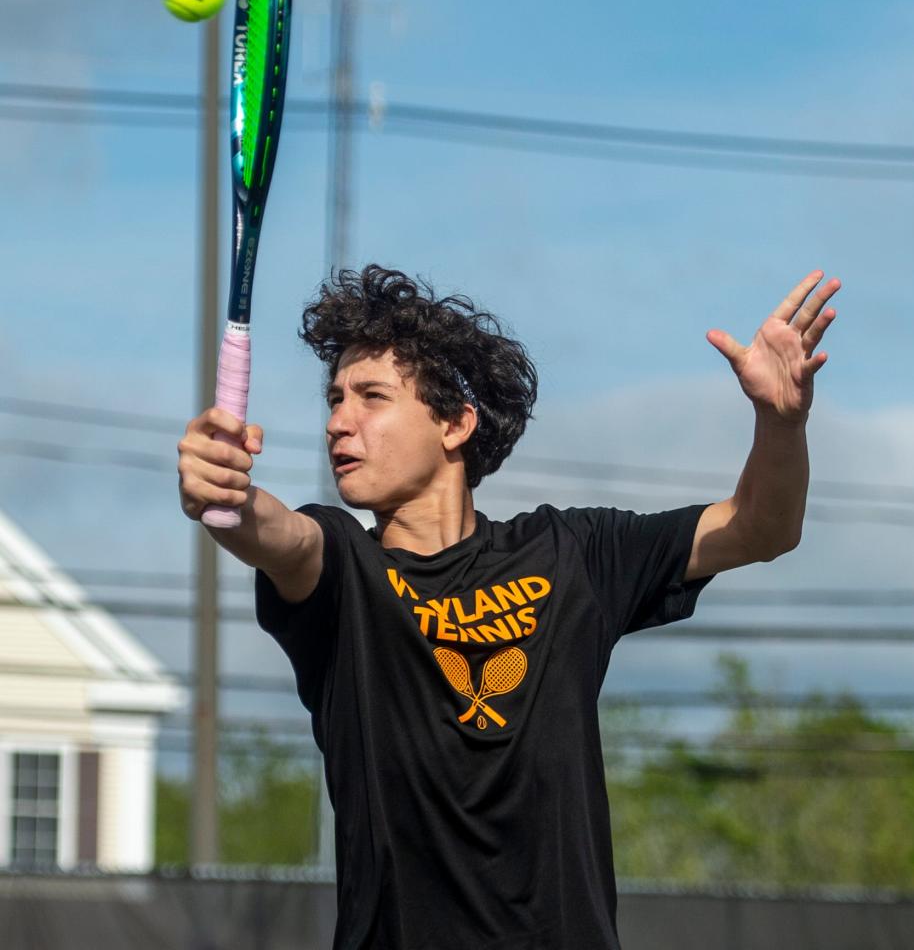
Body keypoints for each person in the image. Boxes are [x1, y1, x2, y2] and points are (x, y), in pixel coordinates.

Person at [178, 264, 840, 950]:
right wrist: (221, 491)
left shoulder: (573, 552)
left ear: (455, 423)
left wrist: (779, 422)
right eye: (334, 398)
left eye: (371, 397)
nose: (339, 423)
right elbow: (276, 535)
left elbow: (763, 528)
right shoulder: (346, 569)